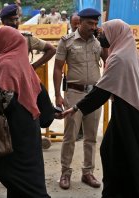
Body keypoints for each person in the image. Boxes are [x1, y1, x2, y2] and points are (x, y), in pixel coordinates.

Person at [62, 19, 139, 198]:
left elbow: (102, 90)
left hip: (129, 113)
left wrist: (76, 108)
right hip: (126, 110)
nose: (101, 35)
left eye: (105, 32)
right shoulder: (126, 52)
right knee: (115, 151)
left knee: (128, 155)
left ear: (115, 34)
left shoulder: (119, 58)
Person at [0, 26, 50, 198]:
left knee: (7, 166)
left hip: (15, 124)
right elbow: (38, 88)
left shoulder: (6, 63)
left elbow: (4, 98)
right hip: (29, 122)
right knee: (28, 168)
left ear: (5, 41)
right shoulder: (21, 61)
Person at [53, 8, 108, 189]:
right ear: (80, 23)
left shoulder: (98, 42)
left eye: (95, 23)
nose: (93, 27)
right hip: (74, 94)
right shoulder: (67, 42)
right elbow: (58, 69)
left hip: (94, 94)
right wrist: (58, 95)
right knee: (70, 136)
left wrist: (105, 42)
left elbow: (108, 60)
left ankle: (88, 172)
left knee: (91, 137)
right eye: (90, 23)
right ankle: (65, 173)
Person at [0, 3, 56, 81]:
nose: (14, 23)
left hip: (22, 85)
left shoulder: (26, 38)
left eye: (16, 19)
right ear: (3, 21)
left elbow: (52, 50)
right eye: (11, 20)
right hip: (0, 86)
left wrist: (34, 66)